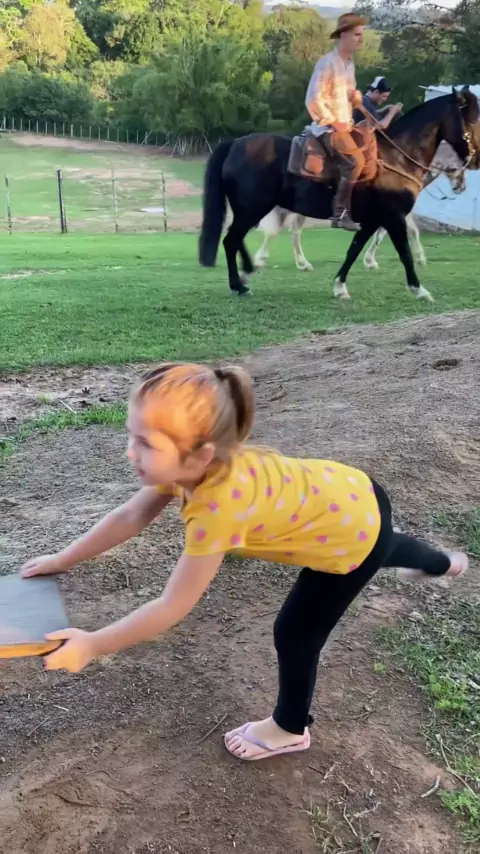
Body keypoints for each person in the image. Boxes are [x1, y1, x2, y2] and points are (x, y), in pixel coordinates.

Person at [21, 362, 468, 762]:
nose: (129, 452)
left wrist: (94, 644)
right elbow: (131, 516)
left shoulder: (216, 508)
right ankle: (442, 563)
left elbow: (173, 604)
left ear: (200, 454)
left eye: (145, 443)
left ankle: (290, 729)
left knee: (296, 632)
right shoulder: (198, 462)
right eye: (131, 436)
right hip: (355, 493)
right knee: (382, 543)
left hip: (350, 533)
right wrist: (65, 557)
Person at [305, 12, 377, 231]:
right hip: (328, 128)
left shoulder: (349, 64)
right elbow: (313, 98)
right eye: (356, 34)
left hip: (347, 124)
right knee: (355, 162)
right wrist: (333, 122)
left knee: (372, 154)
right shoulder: (326, 63)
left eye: (361, 34)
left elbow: (345, 95)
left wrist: (355, 97)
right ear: (343, 35)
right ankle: (340, 213)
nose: (360, 39)